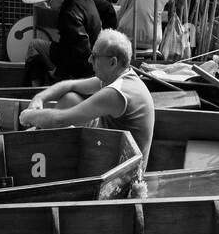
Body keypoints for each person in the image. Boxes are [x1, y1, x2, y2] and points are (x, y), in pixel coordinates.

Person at [20, 29, 155, 168]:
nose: (90, 60)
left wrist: (28, 116)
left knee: (58, 125)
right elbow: (71, 85)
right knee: (70, 98)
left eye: (95, 56)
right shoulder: (119, 76)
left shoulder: (115, 93)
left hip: (123, 174)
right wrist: (39, 98)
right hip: (111, 148)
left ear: (113, 62)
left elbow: (60, 119)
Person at [21, 0, 118, 87]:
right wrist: (106, 41)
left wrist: (59, 73)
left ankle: (33, 91)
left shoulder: (68, 15)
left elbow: (79, 53)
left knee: (34, 45)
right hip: (91, 56)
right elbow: (108, 9)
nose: (46, 5)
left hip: (85, 67)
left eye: (48, 1)